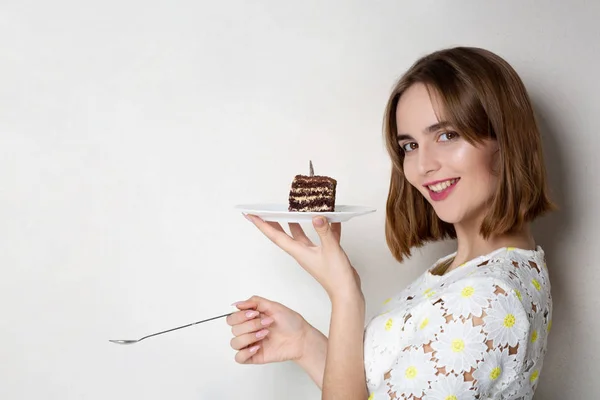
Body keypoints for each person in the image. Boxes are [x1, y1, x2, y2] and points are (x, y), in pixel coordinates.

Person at [227, 47, 555, 400]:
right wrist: (304, 342)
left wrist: (345, 294)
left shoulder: (482, 301)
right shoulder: (473, 269)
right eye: (410, 145)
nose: (423, 165)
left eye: (447, 135)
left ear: (505, 140)